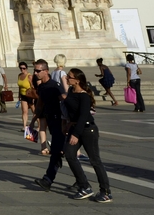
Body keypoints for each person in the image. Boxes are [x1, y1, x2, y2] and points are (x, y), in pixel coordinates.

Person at [62, 68, 113, 202]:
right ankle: (84, 186)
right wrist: (68, 124)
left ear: (77, 80)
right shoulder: (71, 91)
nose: (67, 78)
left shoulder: (84, 96)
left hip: (87, 130)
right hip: (74, 127)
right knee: (69, 154)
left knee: (95, 160)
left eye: (69, 76)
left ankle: (106, 191)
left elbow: (84, 116)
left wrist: (76, 134)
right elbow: (73, 113)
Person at [33, 58, 66, 190]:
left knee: (57, 152)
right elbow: (40, 103)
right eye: (35, 70)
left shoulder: (54, 86)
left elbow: (64, 100)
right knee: (65, 154)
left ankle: (48, 179)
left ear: (46, 71)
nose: (35, 73)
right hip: (51, 121)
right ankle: (81, 182)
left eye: (38, 71)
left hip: (59, 122)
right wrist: (32, 121)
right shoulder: (41, 87)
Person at [17, 62, 36, 140]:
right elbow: (19, 86)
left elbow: (33, 86)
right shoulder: (19, 76)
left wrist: (34, 96)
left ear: (26, 68)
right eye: (21, 68)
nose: (22, 70)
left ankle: (39, 124)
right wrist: (19, 95)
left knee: (34, 111)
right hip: (23, 95)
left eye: (24, 68)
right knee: (24, 111)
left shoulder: (29, 76)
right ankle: (24, 126)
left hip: (30, 95)